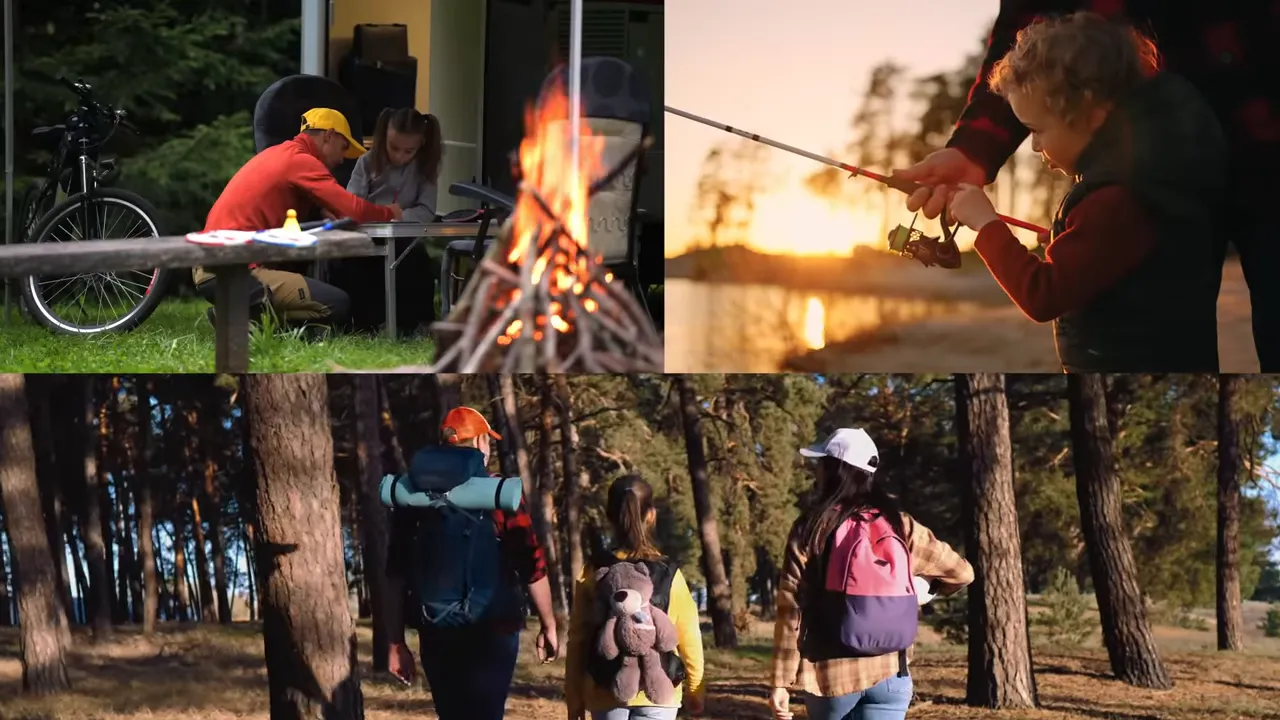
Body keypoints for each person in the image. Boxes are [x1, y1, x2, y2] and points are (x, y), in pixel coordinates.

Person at [895, 2, 1280, 372]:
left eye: (1037, 130)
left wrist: (987, 224)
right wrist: (972, 149)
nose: (1034, 145)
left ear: (1092, 114)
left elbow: (1042, 296)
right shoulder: (1143, 180)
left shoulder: (1118, 200)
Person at [770, 428, 974, 720]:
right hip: (891, 674)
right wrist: (924, 589)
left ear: (833, 469)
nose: (816, 471)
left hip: (830, 678)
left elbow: (790, 610)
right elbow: (963, 573)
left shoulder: (811, 528)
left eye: (820, 463)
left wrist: (781, 682)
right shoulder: (900, 524)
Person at [383, 406, 559, 720]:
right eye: (487, 440)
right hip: (494, 629)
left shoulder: (412, 497)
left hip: (436, 628)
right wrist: (549, 624)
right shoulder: (498, 493)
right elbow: (532, 565)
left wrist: (396, 641)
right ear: (479, 444)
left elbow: (395, 574)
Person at [194, 108, 403, 331]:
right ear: (328, 135)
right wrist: (390, 212)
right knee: (336, 303)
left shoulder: (278, 154)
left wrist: (322, 209)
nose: (343, 159)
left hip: (209, 265)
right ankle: (240, 320)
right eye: (343, 148)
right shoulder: (301, 161)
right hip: (233, 269)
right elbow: (355, 210)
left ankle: (240, 314)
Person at [565, 475, 706, 720]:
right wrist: (695, 688)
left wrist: (574, 695)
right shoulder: (670, 573)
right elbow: (689, 636)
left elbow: (578, 639)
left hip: (605, 690)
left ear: (609, 516)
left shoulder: (593, 571)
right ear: (651, 515)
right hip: (660, 691)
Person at [335, 108, 444, 335]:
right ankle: (364, 326)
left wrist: (399, 216)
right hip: (366, 237)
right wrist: (379, 213)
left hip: (404, 237)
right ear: (384, 136)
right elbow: (351, 204)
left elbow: (426, 211)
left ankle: (412, 325)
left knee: (416, 261)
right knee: (356, 266)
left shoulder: (425, 169)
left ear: (421, 144)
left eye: (408, 151)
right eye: (394, 148)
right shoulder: (366, 162)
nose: (399, 156)